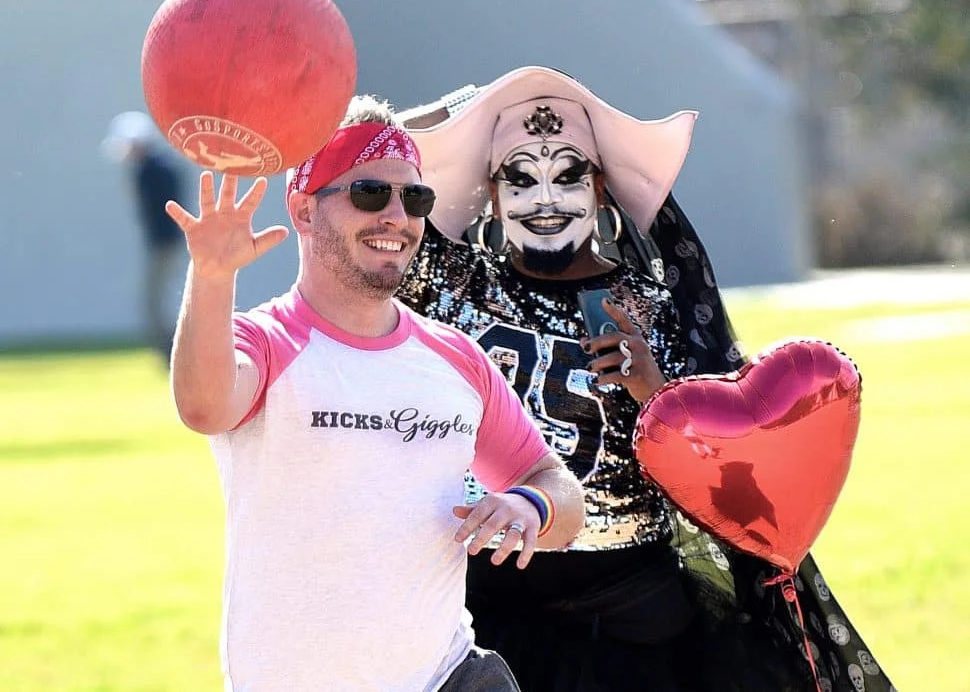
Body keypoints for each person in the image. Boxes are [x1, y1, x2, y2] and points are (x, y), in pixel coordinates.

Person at [393, 66, 895, 692]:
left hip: (633, 624)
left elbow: (719, 471)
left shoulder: (656, 306)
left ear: (602, 189)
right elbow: (358, 148)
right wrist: (465, 109)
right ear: (489, 196)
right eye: (519, 179)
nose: (545, 200)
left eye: (569, 176)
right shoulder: (453, 282)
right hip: (489, 612)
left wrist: (654, 393)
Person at [162, 94, 586, 692]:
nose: (397, 217)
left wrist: (530, 505)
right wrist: (211, 274)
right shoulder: (264, 341)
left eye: (414, 198)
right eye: (369, 194)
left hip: (449, 678)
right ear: (305, 210)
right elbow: (203, 407)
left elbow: (560, 495)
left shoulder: (457, 360)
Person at [102, 111, 185, 362]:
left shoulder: (150, 170)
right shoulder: (164, 166)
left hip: (163, 244)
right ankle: (171, 350)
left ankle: (170, 351)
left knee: (154, 301)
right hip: (167, 242)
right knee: (156, 299)